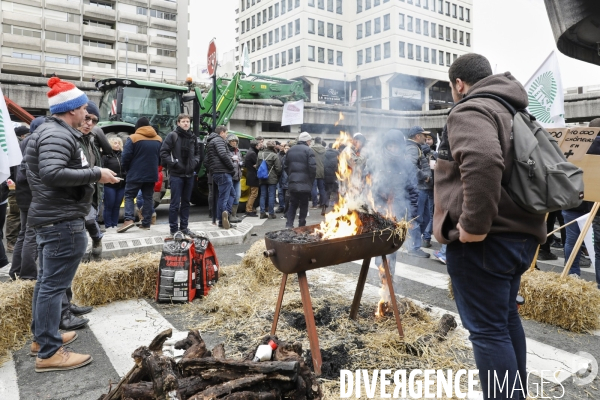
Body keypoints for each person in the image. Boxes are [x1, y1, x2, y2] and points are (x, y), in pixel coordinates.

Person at [434, 53, 545, 398]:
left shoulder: (471, 108)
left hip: (486, 241)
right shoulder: (515, 109)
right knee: (505, 322)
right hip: (520, 234)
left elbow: (483, 161)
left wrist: (473, 226)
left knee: (487, 332)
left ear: (459, 84)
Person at [25, 76, 119, 372]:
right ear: (72, 110)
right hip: (61, 220)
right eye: (82, 108)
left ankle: (44, 338)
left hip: (56, 217)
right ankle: (50, 352)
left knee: (47, 285)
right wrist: (96, 173)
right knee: (53, 287)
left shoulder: (56, 132)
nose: (86, 114)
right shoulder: (57, 134)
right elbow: (53, 173)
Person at [118, 117, 162, 233]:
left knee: (129, 196)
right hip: (151, 174)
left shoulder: (133, 138)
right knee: (148, 197)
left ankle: (128, 219)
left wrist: (126, 169)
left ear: (137, 127)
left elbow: (125, 157)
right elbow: (161, 158)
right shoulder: (158, 139)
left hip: (135, 173)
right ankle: (146, 223)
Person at [160, 114, 201, 235]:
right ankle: (174, 230)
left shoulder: (193, 137)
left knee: (186, 203)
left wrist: (195, 162)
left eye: (188, 121)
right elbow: (163, 152)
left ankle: (184, 228)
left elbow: (198, 153)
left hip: (189, 174)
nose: (186, 123)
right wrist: (174, 164)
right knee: (174, 203)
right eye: (183, 121)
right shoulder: (173, 135)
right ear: (178, 123)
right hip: (176, 174)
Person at [9, 121, 40, 281]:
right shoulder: (34, 141)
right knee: (31, 234)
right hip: (31, 194)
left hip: (23, 194)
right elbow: (27, 173)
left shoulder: (23, 142)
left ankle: (15, 270)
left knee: (24, 233)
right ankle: (27, 275)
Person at [79, 102, 104, 257]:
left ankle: (96, 238)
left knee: (89, 220)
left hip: (90, 192)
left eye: (94, 121)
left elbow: (96, 168)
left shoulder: (92, 142)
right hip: (74, 193)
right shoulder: (71, 140)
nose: (89, 123)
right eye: (87, 118)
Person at [405, 126, 432, 258]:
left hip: (423, 188)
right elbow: (410, 166)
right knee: (417, 218)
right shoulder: (412, 148)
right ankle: (414, 247)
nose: (425, 138)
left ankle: (413, 242)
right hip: (419, 188)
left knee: (425, 217)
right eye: (423, 135)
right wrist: (423, 176)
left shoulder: (415, 147)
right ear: (417, 136)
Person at [205, 125, 235, 229]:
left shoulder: (211, 141)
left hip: (218, 172)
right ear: (221, 132)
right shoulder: (219, 140)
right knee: (224, 196)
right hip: (223, 172)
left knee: (231, 194)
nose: (227, 136)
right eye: (226, 133)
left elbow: (206, 161)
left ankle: (225, 213)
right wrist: (232, 167)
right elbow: (223, 155)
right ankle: (222, 219)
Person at [285, 132, 316, 228]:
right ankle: (301, 225)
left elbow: (285, 166)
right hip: (305, 182)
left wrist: (291, 176)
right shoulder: (309, 150)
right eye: (310, 141)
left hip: (293, 182)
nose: (310, 142)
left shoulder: (290, 150)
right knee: (304, 204)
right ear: (307, 140)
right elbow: (312, 167)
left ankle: (289, 224)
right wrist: (311, 179)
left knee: (293, 204)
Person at [102, 137, 125, 231]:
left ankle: (114, 224)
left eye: (119, 143)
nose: (117, 145)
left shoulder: (123, 155)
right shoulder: (106, 156)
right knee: (109, 204)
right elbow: (102, 168)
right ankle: (108, 225)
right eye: (115, 143)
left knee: (117, 205)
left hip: (121, 184)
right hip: (109, 184)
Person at [257, 141, 282, 219]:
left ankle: (262, 212)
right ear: (274, 147)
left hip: (262, 177)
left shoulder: (260, 154)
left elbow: (257, 166)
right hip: (272, 178)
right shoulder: (274, 155)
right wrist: (277, 175)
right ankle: (271, 213)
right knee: (271, 195)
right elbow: (278, 168)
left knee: (263, 195)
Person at [227, 134, 243, 223]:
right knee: (230, 196)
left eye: (235, 141)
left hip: (237, 177)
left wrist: (240, 162)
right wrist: (232, 160)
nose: (234, 143)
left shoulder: (238, 151)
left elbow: (240, 161)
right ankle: (229, 215)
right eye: (232, 141)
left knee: (237, 196)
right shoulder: (227, 151)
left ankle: (234, 214)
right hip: (230, 176)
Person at [244, 139, 262, 217]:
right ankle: (249, 209)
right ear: (255, 146)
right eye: (258, 146)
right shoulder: (252, 153)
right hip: (253, 176)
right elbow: (258, 164)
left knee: (252, 193)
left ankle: (249, 208)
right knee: (254, 194)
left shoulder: (250, 152)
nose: (259, 147)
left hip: (250, 175)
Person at [310, 137, 327, 214]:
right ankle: (322, 204)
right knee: (322, 188)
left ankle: (314, 204)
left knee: (313, 188)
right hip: (322, 170)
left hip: (313, 170)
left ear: (314, 141)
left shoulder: (311, 149)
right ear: (320, 141)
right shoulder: (324, 149)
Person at [323, 143, 339, 211]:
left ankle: (324, 206)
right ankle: (336, 207)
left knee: (327, 192)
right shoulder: (338, 154)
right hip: (335, 176)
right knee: (336, 192)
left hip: (326, 176)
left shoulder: (325, 153)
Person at [278, 143, 290, 219]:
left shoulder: (287, 158)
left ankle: (287, 214)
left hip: (288, 181)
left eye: (288, 148)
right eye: (285, 148)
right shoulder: (283, 157)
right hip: (284, 180)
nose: (286, 150)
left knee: (287, 198)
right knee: (286, 198)